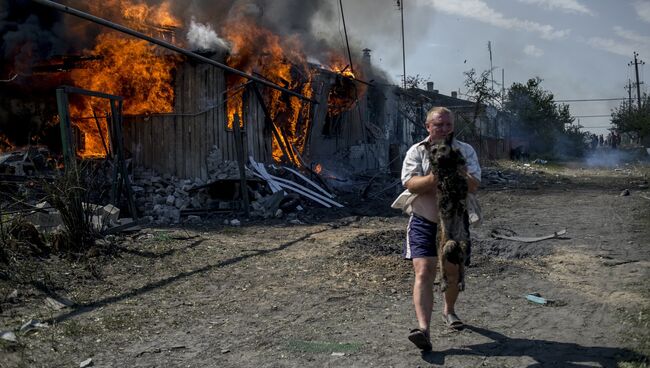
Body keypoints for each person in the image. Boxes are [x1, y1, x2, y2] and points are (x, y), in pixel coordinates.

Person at [391, 106, 481, 351]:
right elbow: (410, 182)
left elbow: (474, 185)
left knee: (452, 271)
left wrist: (459, 172)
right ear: (427, 126)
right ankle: (423, 330)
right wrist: (438, 174)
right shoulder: (417, 151)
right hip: (423, 219)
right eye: (438, 125)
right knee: (424, 271)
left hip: (454, 221)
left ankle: (449, 310)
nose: (443, 129)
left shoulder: (465, 150)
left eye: (448, 125)